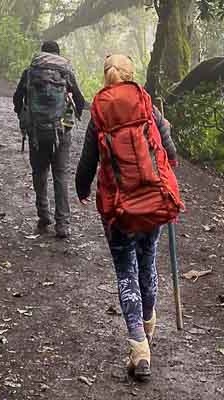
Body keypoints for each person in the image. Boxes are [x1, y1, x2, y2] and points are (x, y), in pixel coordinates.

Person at [75, 53, 181, 381]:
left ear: (106, 77)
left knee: (126, 272)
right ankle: (147, 327)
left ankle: (138, 345)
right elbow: (171, 152)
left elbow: (87, 161)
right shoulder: (148, 106)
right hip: (153, 203)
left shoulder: (99, 113)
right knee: (148, 263)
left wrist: (82, 189)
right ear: (131, 75)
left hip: (118, 209)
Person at [13, 39, 85, 239]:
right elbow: (80, 100)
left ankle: (43, 214)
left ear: (42, 54)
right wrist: (73, 114)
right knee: (60, 175)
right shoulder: (65, 72)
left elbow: (17, 98)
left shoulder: (30, 72)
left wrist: (23, 117)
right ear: (58, 55)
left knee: (39, 172)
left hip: (36, 131)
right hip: (60, 132)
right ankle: (63, 224)